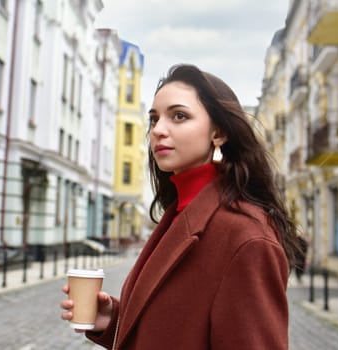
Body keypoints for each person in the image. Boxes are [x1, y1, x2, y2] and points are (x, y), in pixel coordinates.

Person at [60, 64, 301, 349]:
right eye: (154, 119)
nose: (158, 130)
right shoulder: (180, 212)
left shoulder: (246, 237)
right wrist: (114, 320)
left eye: (179, 116)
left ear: (219, 133)